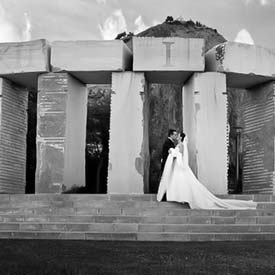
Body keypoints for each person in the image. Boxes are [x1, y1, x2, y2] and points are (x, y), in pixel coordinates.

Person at [157, 132, 257, 209]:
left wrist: (172, 152)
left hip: (179, 167)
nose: (177, 136)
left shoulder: (180, 145)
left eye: (179, 136)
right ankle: (181, 197)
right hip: (179, 167)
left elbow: (179, 154)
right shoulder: (181, 145)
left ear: (181, 138)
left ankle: (182, 197)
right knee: (183, 183)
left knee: (182, 183)